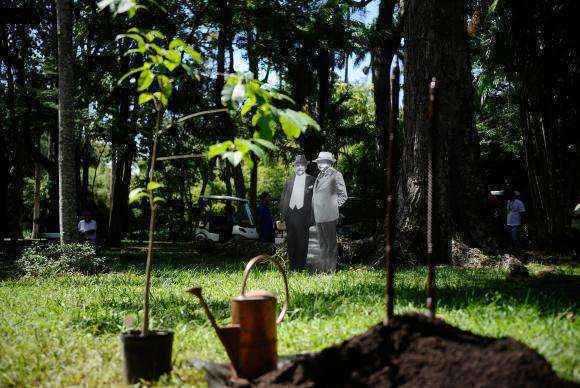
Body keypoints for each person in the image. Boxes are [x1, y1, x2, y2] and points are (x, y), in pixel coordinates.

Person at [311, 151, 348, 272]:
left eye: (322, 162)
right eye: (319, 162)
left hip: (329, 215)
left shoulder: (335, 174)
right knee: (322, 244)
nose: (319, 164)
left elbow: (343, 195)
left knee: (330, 244)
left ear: (329, 162)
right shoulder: (320, 175)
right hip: (319, 215)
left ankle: (331, 269)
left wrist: (332, 207)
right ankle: (323, 269)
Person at [279, 155, 315, 270]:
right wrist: (282, 215)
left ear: (306, 166)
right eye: (297, 165)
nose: (300, 167)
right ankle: (292, 267)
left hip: (303, 215)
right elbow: (283, 199)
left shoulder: (312, 180)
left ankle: (301, 266)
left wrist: (313, 217)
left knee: (302, 242)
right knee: (291, 241)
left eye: (302, 165)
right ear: (295, 166)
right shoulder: (289, 182)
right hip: (290, 215)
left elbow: (315, 200)